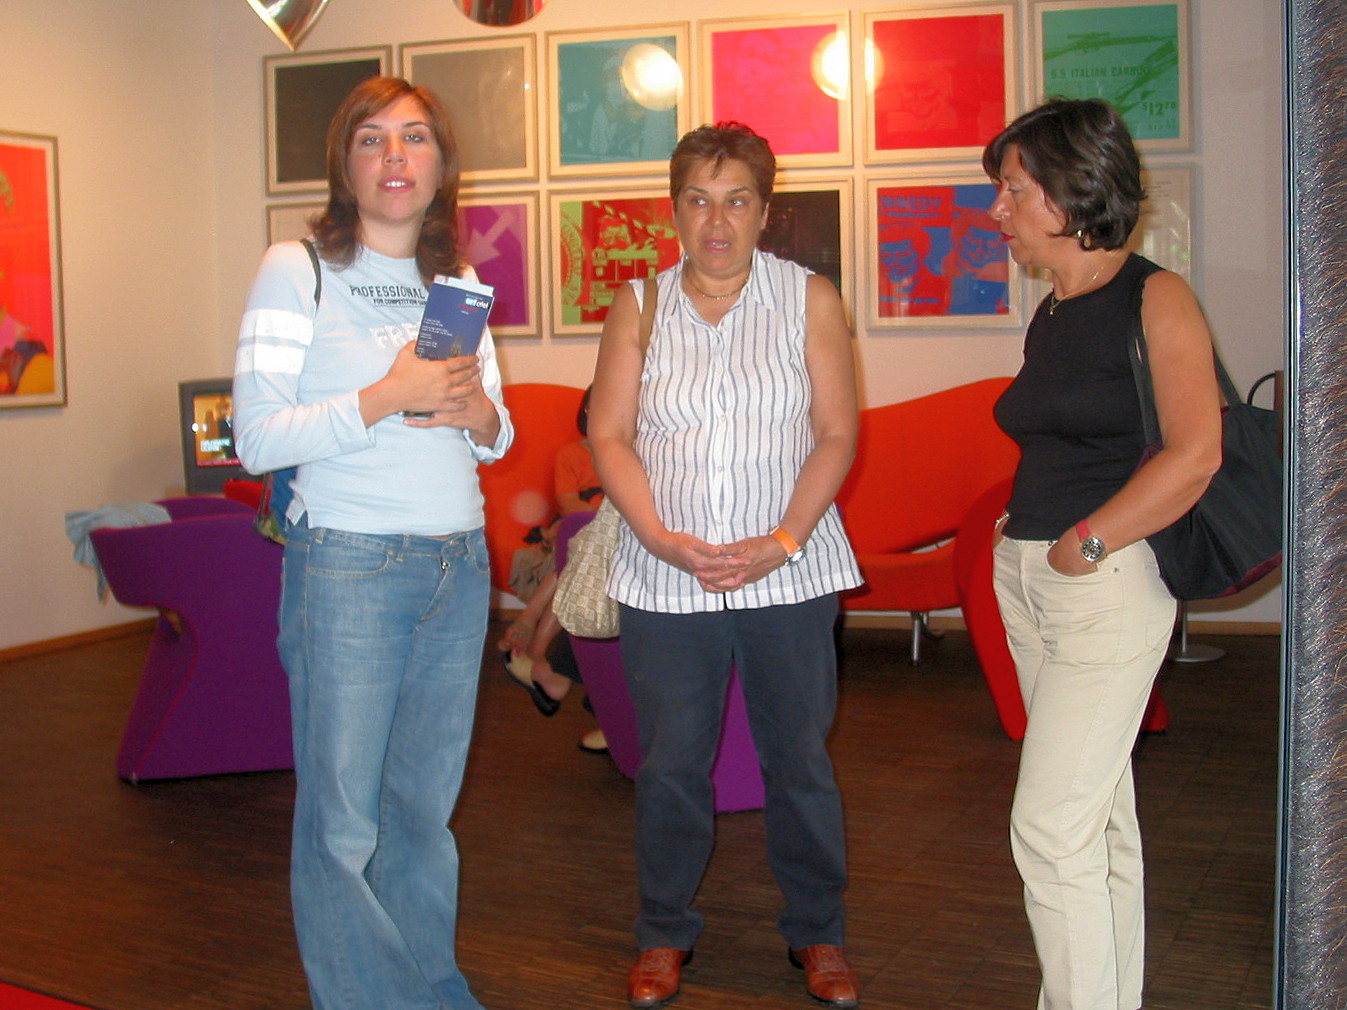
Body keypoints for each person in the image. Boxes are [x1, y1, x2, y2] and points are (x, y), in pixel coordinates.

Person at [232, 76, 513, 1010]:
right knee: (343, 827)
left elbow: (497, 431)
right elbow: (257, 437)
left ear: (441, 165)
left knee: (422, 818)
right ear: (344, 164)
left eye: (416, 137)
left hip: (457, 566)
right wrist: (388, 395)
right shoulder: (297, 267)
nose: (396, 156)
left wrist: (475, 413)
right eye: (372, 139)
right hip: (349, 565)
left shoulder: (456, 283)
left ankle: (433, 989)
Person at [588, 121, 864, 1009]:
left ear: (763, 210)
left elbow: (836, 433)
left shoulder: (807, 297)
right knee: (670, 765)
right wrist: (658, 537)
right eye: (698, 201)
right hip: (666, 578)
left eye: (736, 201)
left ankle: (817, 929)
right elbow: (609, 434)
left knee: (799, 761)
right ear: (673, 210)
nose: (716, 222)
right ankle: (662, 932)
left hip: (788, 574)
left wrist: (782, 539)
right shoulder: (638, 304)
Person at [983, 98, 1222, 1010]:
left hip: (1104, 585)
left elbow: (1195, 454)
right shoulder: (1053, 308)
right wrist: (1024, 546)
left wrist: (1086, 544)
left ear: (1068, 190)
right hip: (1031, 579)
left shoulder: (1155, 297)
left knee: (1048, 829)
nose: (998, 209)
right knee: (1097, 824)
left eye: (1012, 189)